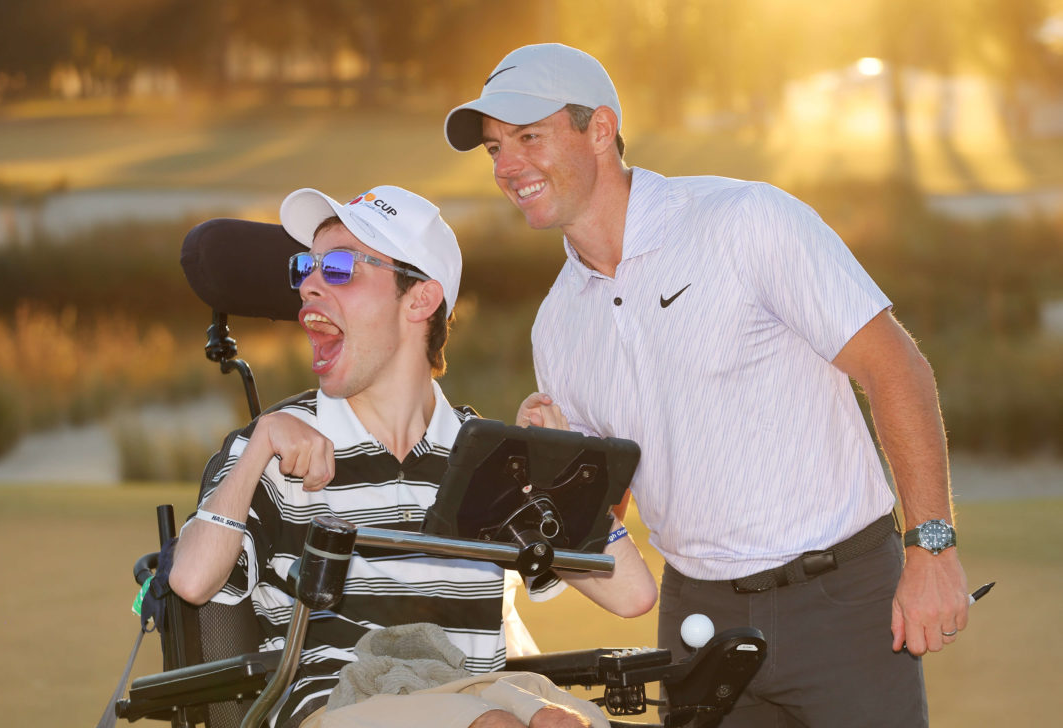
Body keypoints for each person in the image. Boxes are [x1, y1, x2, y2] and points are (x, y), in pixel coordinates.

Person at [444, 42, 969, 726]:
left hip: (843, 601)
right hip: (698, 619)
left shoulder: (745, 223)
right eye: (493, 148)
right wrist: (552, 478)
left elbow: (896, 369)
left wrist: (931, 547)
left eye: (528, 137)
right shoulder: (557, 327)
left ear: (600, 129)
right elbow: (614, 511)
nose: (507, 166)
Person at [168, 183, 657, 728]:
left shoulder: (489, 458)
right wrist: (258, 444)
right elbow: (191, 582)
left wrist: (560, 476)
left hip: (479, 691)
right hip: (340, 703)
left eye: (337, 268)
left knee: (558, 722)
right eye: (306, 266)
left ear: (420, 299)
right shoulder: (277, 446)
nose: (307, 285)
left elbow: (632, 595)